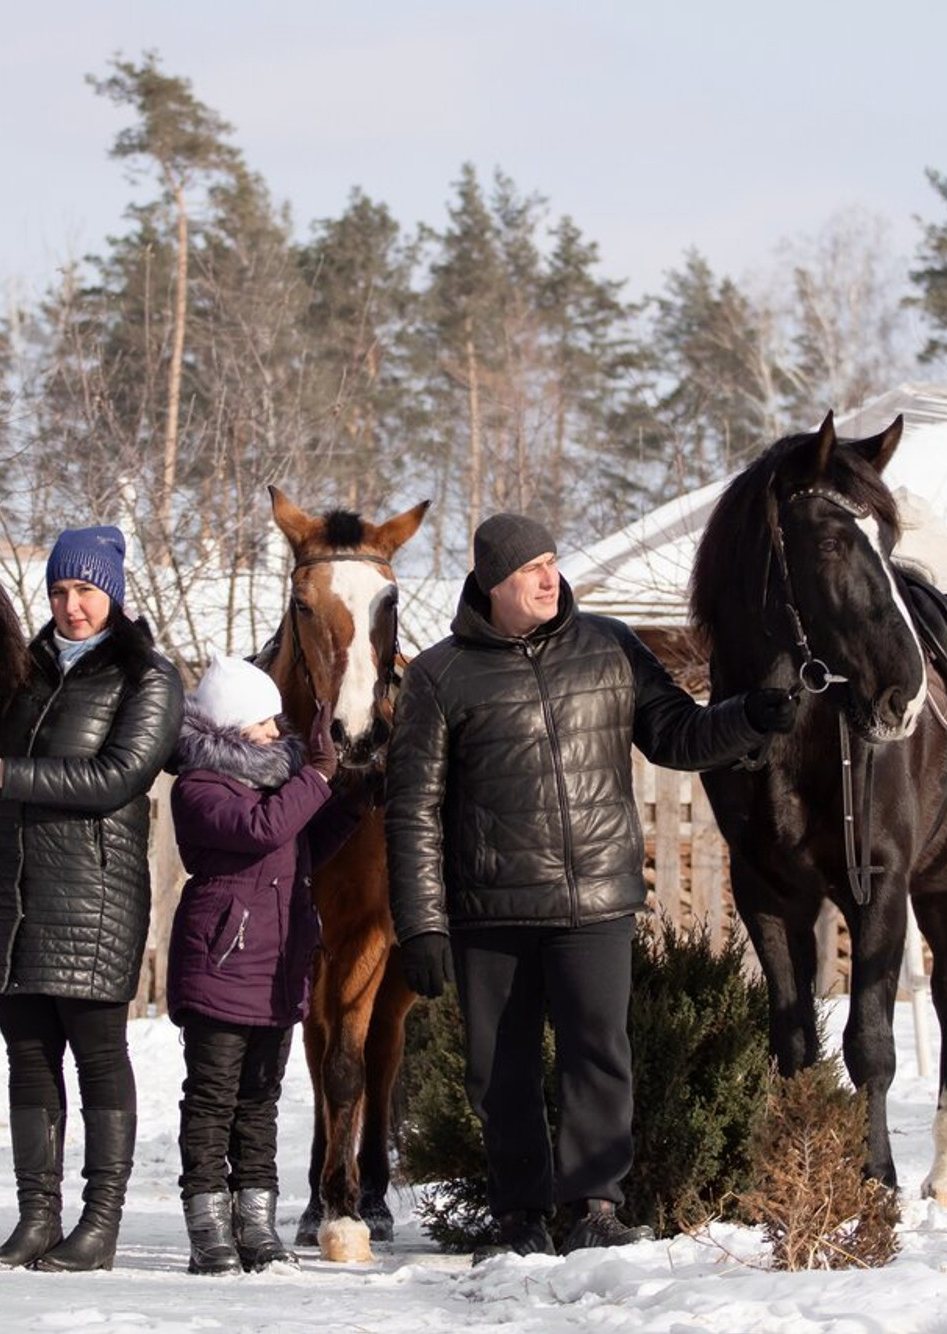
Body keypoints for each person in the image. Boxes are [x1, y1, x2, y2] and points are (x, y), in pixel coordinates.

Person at [386, 512, 797, 1260]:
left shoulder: (610, 646)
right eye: (529, 570)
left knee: (598, 1055)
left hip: (595, 899)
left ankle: (597, 1208)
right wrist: (421, 925)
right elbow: (411, 809)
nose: (549, 577)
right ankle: (519, 1216)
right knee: (498, 1069)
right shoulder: (439, 675)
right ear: (490, 583)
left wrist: (747, 718)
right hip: (492, 908)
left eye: (550, 561)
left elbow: (677, 733)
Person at [0, 525, 183, 1273]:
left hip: (94, 896)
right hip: (12, 895)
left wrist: (3, 776)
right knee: (27, 1058)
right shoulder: (27, 673)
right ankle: (37, 1217)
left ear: (111, 591)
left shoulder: (147, 677)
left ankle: (100, 1223)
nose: (71, 605)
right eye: (58, 591)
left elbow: (117, 779)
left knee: (99, 1059)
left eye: (84, 590)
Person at [164, 658, 360, 1275]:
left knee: (260, 1102)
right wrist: (318, 780)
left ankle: (255, 1224)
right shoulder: (199, 787)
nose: (277, 731)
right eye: (265, 721)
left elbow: (299, 843)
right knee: (212, 1100)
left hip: (276, 966)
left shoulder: (278, 786)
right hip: (221, 964)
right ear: (230, 727)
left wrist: (351, 800)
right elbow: (262, 829)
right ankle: (209, 1227)